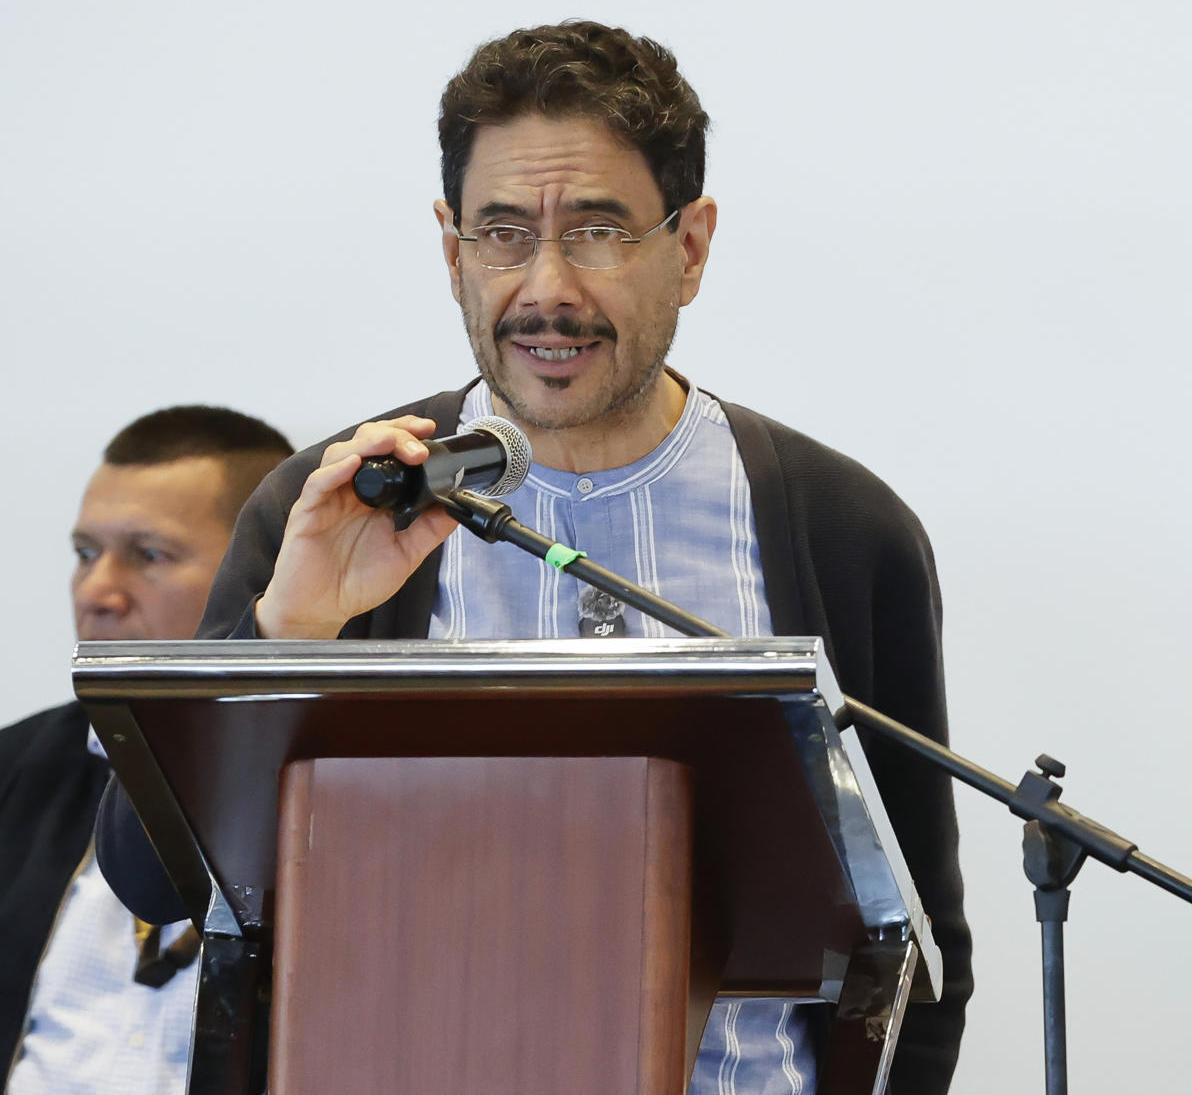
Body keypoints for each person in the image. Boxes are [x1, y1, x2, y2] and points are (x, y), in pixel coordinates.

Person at [94, 21, 970, 1094]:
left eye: (598, 230)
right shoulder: (337, 504)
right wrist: (292, 634)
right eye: (503, 231)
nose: (546, 288)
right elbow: (155, 881)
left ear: (688, 248)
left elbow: (917, 952)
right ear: (452, 249)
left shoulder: (841, 529)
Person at [1, 406, 292, 1093]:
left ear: (262, 569)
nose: (97, 592)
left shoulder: (337, 788)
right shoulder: (14, 773)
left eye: (149, 554)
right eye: (84, 553)